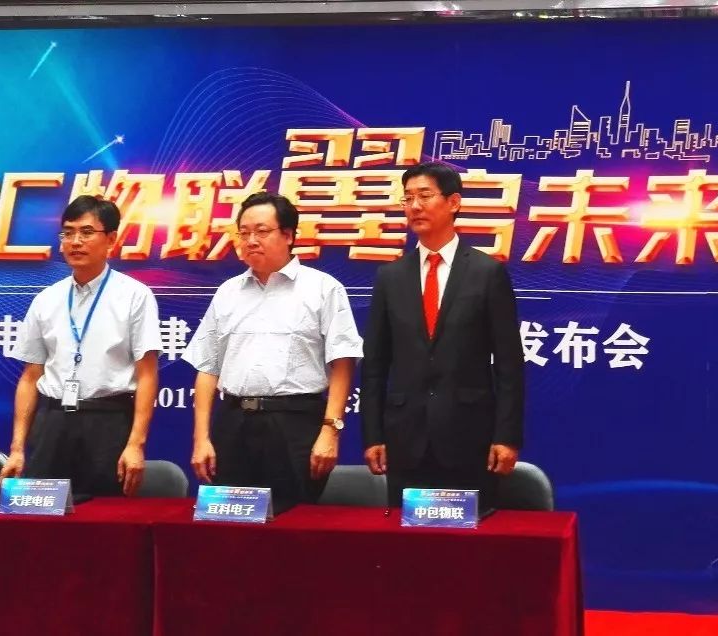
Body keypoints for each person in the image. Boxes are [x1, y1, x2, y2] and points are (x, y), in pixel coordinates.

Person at [361, 161, 525, 510]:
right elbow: (375, 364)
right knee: (407, 536)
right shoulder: (390, 277)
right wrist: (373, 435)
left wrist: (506, 436)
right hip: (405, 438)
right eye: (408, 198)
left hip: (470, 437)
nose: (415, 206)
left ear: (453, 202)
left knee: (468, 538)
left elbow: (509, 365)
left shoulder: (487, 273)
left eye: (424, 196)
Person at [183, 191, 362, 508]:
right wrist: (201, 438)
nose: (251, 240)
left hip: (295, 425)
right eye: (244, 233)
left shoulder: (323, 288)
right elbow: (207, 367)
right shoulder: (228, 292)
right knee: (229, 521)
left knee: (291, 521)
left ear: (288, 235)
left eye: (262, 231)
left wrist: (330, 430)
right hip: (233, 423)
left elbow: (342, 362)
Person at [0, 196, 161, 496]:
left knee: (103, 517)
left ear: (111, 239)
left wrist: (136, 444)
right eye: (68, 233)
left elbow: (147, 375)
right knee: (40, 512)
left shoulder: (134, 296)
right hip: (53, 421)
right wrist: (17, 448)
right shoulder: (47, 299)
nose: (75, 242)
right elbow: (30, 377)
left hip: (108, 422)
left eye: (86, 232)